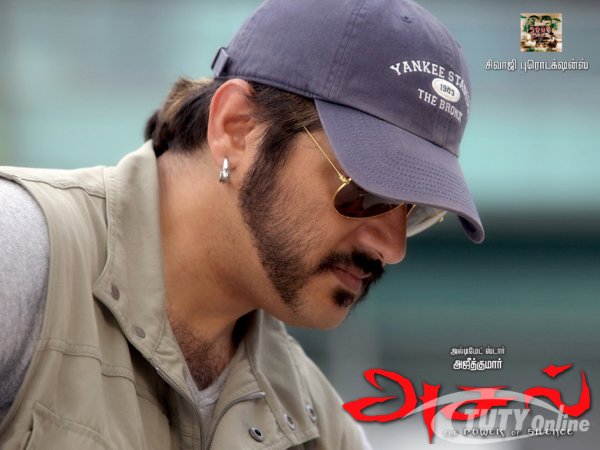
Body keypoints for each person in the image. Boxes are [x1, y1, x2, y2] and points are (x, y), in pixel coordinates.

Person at [0, 0, 484, 448]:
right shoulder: (21, 256)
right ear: (236, 127)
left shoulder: (319, 427)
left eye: (415, 210)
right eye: (367, 191)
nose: (393, 247)